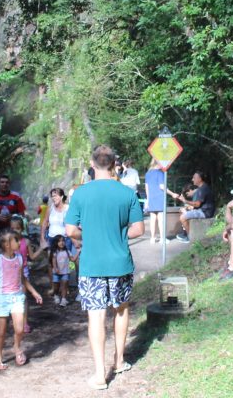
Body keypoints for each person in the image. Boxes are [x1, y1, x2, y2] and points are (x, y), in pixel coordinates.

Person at [65, 144, 145, 391]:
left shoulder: (80, 194)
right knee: (120, 310)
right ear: (114, 164)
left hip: (92, 264)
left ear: (92, 163)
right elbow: (139, 229)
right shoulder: (126, 193)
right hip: (120, 262)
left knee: (96, 315)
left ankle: (100, 374)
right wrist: (118, 234)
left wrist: (88, 236)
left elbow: (70, 231)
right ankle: (119, 361)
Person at [0, 230, 43, 370]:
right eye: (16, 240)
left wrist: (34, 292)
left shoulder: (20, 258)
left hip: (17, 297)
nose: (19, 242)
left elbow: (23, 279)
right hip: (1, 299)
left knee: (19, 328)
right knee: (1, 331)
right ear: (7, 245)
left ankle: (17, 347)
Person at [10, 216, 44, 333]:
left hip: (23, 271)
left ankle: (25, 323)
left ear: (22, 228)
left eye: (18, 228)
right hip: (11, 273)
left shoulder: (26, 241)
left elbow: (32, 257)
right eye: (13, 228)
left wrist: (41, 248)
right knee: (13, 298)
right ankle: (16, 321)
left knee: (23, 298)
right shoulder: (8, 242)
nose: (15, 231)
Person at [40, 187, 75, 294]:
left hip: (65, 239)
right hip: (51, 238)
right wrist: (42, 237)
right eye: (52, 196)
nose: (53, 198)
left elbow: (72, 223)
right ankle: (53, 286)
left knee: (65, 262)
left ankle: (65, 287)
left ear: (61, 196)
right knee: (51, 262)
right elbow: (45, 223)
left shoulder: (68, 208)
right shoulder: (50, 209)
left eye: (55, 196)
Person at [169, 171, 215, 243]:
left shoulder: (202, 189)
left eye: (194, 178)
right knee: (184, 212)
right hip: (203, 210)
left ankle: (190, 238)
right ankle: (187, 235)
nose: (192, 179)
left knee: (183, 217)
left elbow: (197, 204)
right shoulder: (202, 188)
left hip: (205, 212)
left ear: (200, 179)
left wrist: (185, 201)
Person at [49, 235, 77, 307]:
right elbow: (54, 261)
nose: (61, 243)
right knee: (56, 286)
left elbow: (73, 259)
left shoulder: (67, 251)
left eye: (63, 241)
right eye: (59, 241)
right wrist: (55, 269)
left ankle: (64, 300)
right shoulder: (55, 252)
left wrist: (78, 252)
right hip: (56, 272)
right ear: (56, 243)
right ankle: (56, 295)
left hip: (65, 272)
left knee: (64, 286)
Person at [144, 159, 167, 244]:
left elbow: (147, 188)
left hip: (151, 198)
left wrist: (148, 199)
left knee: (152, 219)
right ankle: (162, 238)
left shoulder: (148, 173)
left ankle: (152, 238)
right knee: (160, 219)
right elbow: (162, 186)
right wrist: (171, 193)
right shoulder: (160, 173)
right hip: (159, 197)